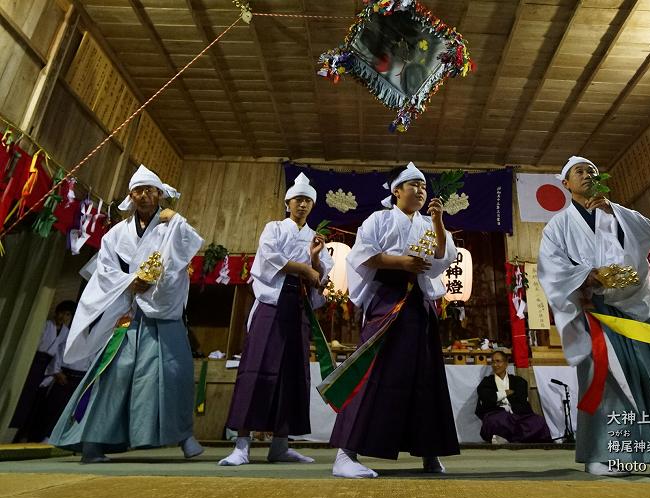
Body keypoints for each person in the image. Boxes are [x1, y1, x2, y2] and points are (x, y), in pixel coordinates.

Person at [538, 156, 650, 477]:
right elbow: (551, 267)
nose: (587, 174)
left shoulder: (615, 211)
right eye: (579, 171)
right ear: (565, 183)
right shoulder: (559, 225)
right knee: (606, 379)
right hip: (594, 307)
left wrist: (614, 212)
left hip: (636, 304)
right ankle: (603, 454)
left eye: (592, 170)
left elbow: (648, 233)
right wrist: (586, 275)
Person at [49, 165, 204, 463]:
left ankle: (185, 437)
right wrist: (131, 281)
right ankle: (92, 442)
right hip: (129, 312)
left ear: (160, 194)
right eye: (138, 191)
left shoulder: (171, 224)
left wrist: (178, 219)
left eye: (150, 190)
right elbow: (104, 270)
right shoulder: (117, 233)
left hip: (164, 311)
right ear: (130, 197)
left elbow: (188, 248)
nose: (144, 196)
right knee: (114, 374)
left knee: (175, 373)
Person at [330, 162, 459, 478]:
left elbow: (443, 257)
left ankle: (430, 451)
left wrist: (439, 221)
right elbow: (362, 255)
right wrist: (400, 261)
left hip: (420, 304)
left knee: (425, 377)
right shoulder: (379, 219)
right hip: (387, 299)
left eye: (424, 186)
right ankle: (345, 454)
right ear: (396, 190)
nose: (420, 190)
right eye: (413, 184)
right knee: (373, 373)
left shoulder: (429, 223)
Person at [218, 173, 333, 466]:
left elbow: (321, 275)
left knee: (293, 373)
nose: (303, 205)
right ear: (288, 203)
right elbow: (269, 258)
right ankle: (241, 444)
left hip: (299, 306)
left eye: (308, 200)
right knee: (257, 368)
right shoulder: (274, 228)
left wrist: (316, 260)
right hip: (272, 302)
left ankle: (280, 444)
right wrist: (305, 269)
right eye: (298, 200)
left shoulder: (314, 238)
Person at [10, 300, 76, 442]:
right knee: (24, 398)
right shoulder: (46, 325)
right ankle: (14, 432)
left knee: (37, 402)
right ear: (56, 312)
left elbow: (59, 353)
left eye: (67, 314)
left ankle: (26, 433)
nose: (63, 317)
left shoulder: (66, 332)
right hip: (34, 362)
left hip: (48, 366)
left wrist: (54, 371)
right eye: (61, 313)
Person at [475, 350, 551, 444]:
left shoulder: (518, 381)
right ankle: (519, 438)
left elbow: (521, 398)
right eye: (493, 362)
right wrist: (505, 393)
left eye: (498, 361)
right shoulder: (487, 382)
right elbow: (486, 397)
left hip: (517, 414)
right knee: (497, 420)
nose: (495, 365)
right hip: (497, 413)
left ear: (506, 363)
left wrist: (498, 397)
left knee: (538, 421)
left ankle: (506, 438)